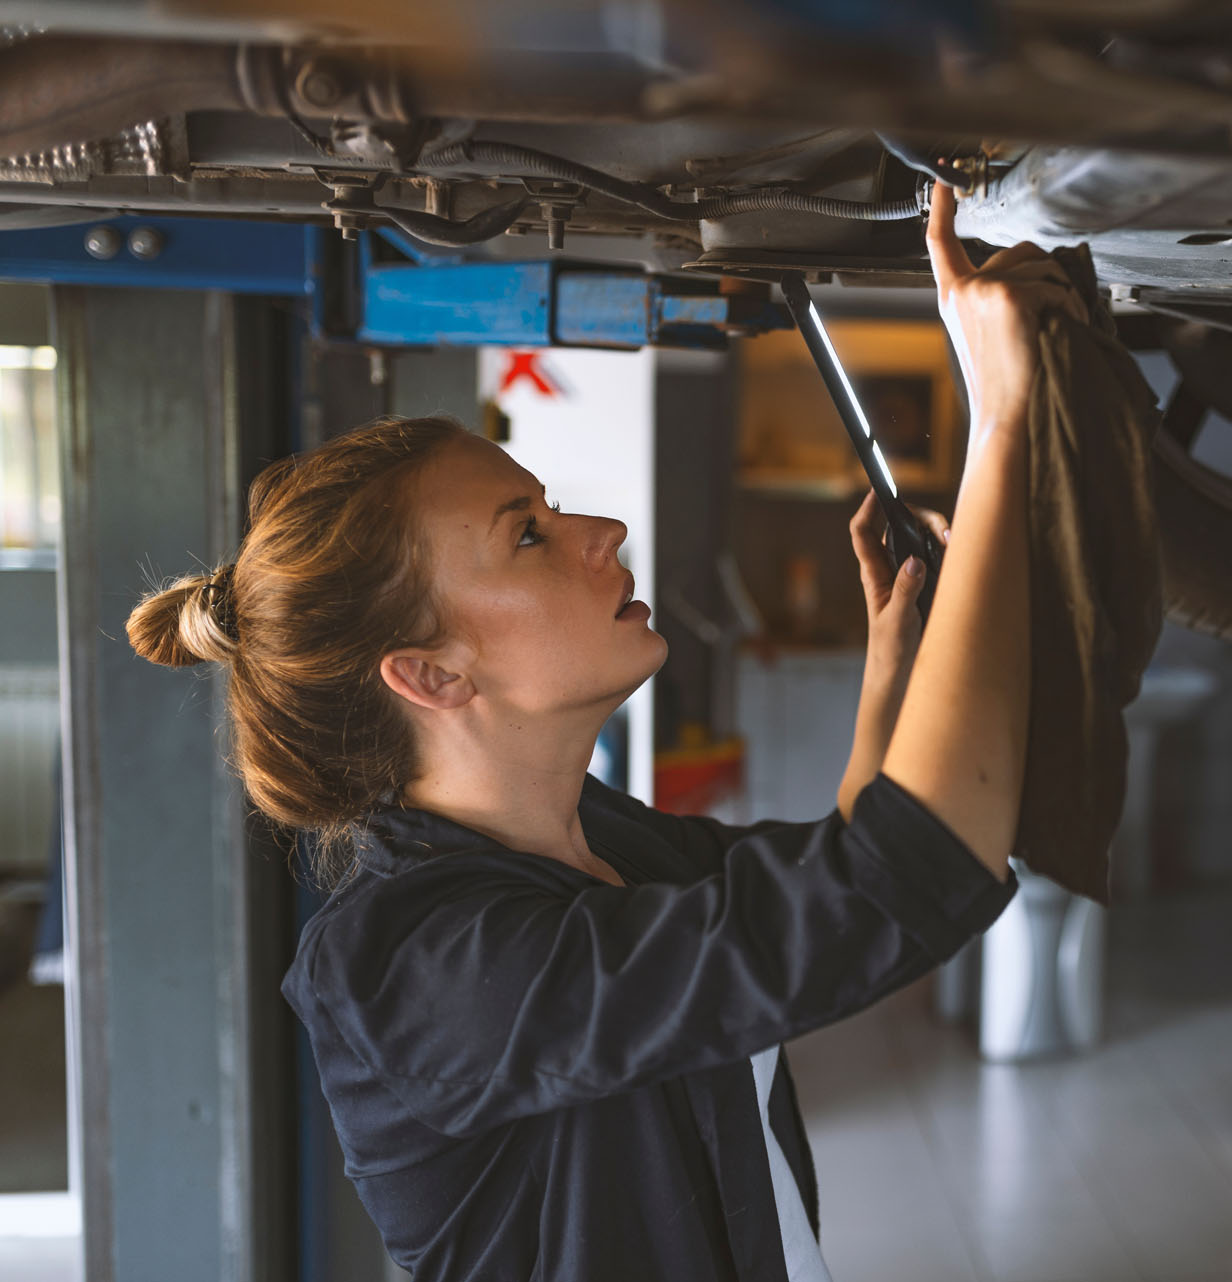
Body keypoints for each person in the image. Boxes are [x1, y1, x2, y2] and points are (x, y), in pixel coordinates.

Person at [124, 186, 1085, 1282]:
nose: (604, 530)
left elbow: (835, 887)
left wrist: (892, 667)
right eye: (528, 534)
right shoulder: (416, 969)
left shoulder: (606, 849)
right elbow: (905, 878)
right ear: (431, 672)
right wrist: (1003, 416)